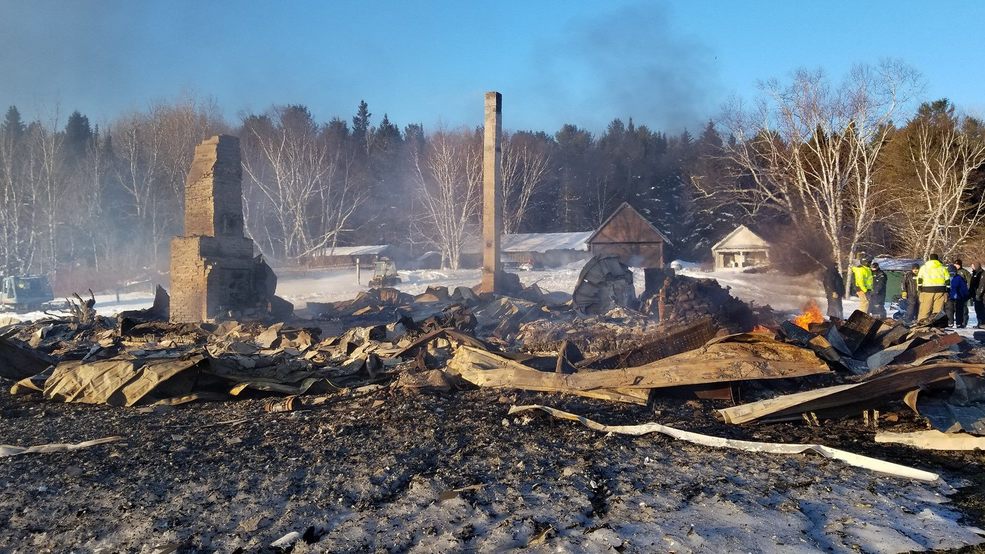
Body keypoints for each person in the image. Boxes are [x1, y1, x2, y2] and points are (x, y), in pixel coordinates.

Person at [916, 254, 950, 322]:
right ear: (937, 259)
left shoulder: (924, 268)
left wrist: (919, 288)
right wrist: (948, 289)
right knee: (938, 310)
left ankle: (922, 323)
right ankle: (937, 325)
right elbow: (947, 280)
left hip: (927, 290)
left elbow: (919, 278)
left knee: (925, 309)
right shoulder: (943, 268)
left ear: (929, 259)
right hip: (940, 290)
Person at [970, 262, 984, 327]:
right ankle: (979, 323)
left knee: (982, 310)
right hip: (975, 294)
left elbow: (982, 285)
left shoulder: (982, 274)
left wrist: (979, 294)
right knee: (977, 310)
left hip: (982, 296)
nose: (972, 268)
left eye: (973, 266)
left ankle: (982, 323)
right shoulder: (974, 274)